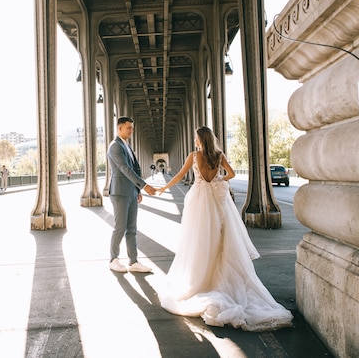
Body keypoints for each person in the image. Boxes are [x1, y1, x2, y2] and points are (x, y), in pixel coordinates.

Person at [156, 126, 293, 331]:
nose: (194, 140)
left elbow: (179, 176)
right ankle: (223, 277)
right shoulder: (218, 155)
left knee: (199, 239)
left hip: (200, 202)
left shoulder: (194, 156)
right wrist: (218, 179)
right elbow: (231, 173)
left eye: (195, 137)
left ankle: (202, 276)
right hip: (217, 203)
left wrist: (163, 188)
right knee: (222, 238)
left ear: (199, 140)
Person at [107, 116, 157, 273]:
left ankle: (133, 262)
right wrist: (145, 185)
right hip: (120, 193)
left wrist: (138, 190)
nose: (131, 131)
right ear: (120, 128)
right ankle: (113, 259)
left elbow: (135, 168)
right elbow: (125, 169)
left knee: (132, 229)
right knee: (120, 228)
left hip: (130, 192)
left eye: (132, 128)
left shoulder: (127, 146)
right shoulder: (115, 146)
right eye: (129, 128)